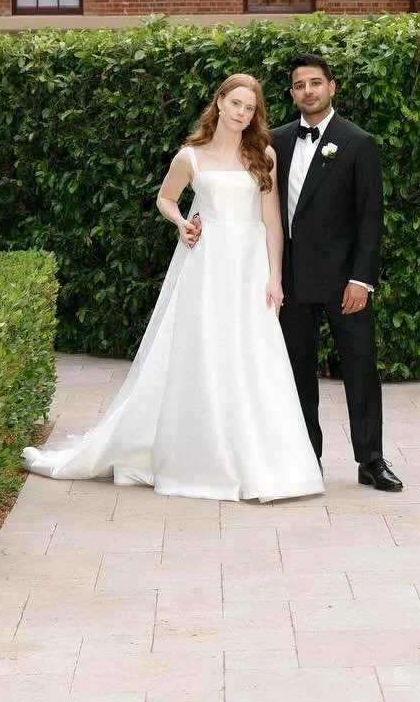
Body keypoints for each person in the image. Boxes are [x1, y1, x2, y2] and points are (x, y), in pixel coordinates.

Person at [22, 73, 323, 501]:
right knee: (206, 353)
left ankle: (261, 459)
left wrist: (275, 277)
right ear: (219, 103)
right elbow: (166, 198)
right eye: (235, 103)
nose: (242, 113)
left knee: (255, 355)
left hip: (250, 269)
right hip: (208, 266)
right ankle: (205, 457)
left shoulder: (264, 155)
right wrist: (182, 223)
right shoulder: (190, 156)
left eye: (250, 108)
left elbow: (273, 220)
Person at [272, 53, 402, 492]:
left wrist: (361, 279)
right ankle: (307, 459)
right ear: (291, 93)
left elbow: (370, 218)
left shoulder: (358, 142)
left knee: (361, 369)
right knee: (296, 370)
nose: (307, 90)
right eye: (299, 85)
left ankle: (371, 460)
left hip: (346, 282)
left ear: (332, 86)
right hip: (290, 281)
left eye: (315, 82)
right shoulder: (277, 141)